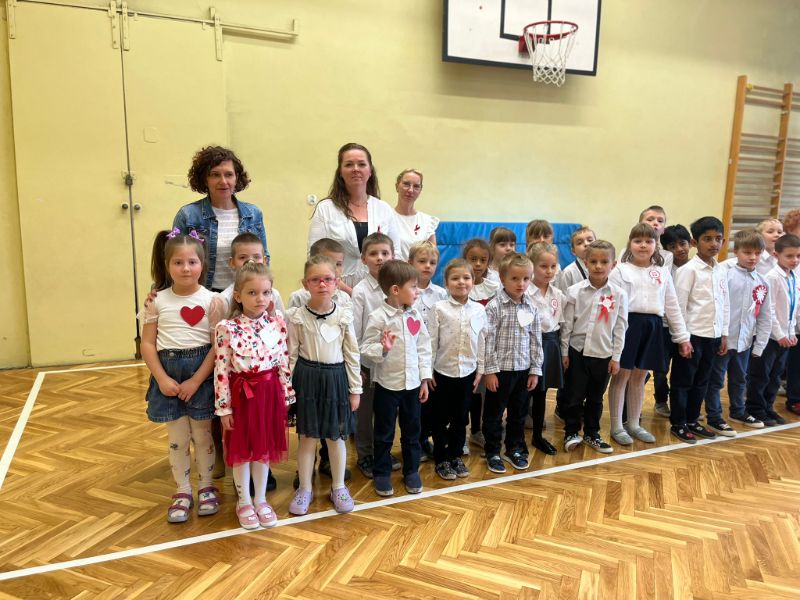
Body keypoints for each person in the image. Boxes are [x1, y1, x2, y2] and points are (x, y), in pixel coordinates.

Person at [140, 230, 221, 523]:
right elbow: (147, 343)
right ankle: (183, 489)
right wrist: (162, 378)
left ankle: (207, 486)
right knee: (177, 438)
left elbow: (217, 346)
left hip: (201, 375)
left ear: (202, 264)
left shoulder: (213, 300)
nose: (186, 268)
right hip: (168, 375)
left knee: (203, 435)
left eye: (192, 262)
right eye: (178, 262)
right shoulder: (156, 301)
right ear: (167, 265)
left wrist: (197, 380)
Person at [213, 262, 293, 529]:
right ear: (238, 296)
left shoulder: (277, 323)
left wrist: (287, 395)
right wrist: (224, 408)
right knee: (242, 451)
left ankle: (260, 499)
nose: (260, 299)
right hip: (242, 398)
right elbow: (221, 369)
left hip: (269, 395)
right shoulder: (227, 328)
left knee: (263, 450)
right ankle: (244, 501)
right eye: (252, 293)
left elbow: (283, 360)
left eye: (266, 292)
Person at [286, 255, 362, 515]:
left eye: (328, 279)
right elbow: (291, 355)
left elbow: (352, 354)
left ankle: (338, 486)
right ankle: (305, 488)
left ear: (336, 282)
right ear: (305, 283)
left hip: (335, 380)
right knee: (307, 438)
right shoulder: (297, 317)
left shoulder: (343, 316)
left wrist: (355, 390)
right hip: (306, 380)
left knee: (335, 438)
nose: (322, 284)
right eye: (315, 279)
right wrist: (288, 390)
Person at [607, 224, 691, 446]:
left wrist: (682, 337)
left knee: (639, 377)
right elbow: (612, 305)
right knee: (621, 377)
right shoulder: (620, 271)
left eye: (648, 241)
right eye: (638, 241)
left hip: (653, 326)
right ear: (630, 244)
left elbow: (672, 306)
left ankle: (634, 424)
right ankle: (617, 426)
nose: (643, 245)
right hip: (627, 326)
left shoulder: (662, 272)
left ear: (656, 246)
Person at [362, 260, 432, 497]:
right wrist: (383, 348)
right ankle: (382, 472)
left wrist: (424, 379)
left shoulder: (415, 315)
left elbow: (424, 347)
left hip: (412, 386)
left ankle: (411, 470)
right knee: (384, 433)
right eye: (413, 286)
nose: (417, 291)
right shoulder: (378, 317)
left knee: (412, 431)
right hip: (387, 386)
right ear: (395, 290)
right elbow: (366, 349)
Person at [561, 241, 628, 454]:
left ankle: (592, 433)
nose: (598, 266)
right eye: (593, 261)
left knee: (595, 398)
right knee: (574, 396)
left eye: (604, 262)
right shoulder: (574, 291)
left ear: (613, 264)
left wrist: (616, 357)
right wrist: (564, 352)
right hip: (577, 352)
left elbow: (621, 327)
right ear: (585, 262)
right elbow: (567, 325)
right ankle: (571, 432)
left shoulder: (619, 294)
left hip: (603, 354)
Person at [173, 146, 268, 292]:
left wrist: (266, 290)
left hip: (246, 294)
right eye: (215, 175)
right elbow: (173, 259)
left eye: (229, 175)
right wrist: (161, 292)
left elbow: (264, 258)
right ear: (205, 179)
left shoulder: (253, 214)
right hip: (203, 294)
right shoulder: (188, 215)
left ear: (236, 178)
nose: (223, 181)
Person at [308, 143, 401, 291]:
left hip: (378, 290)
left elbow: (396, 255)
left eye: (362, 164)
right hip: (335, 290)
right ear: (340, 172)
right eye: (349, 164)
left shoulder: (384, 209)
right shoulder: (325, 209)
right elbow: (314, 257)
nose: (356, 169)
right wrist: (349, 292)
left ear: (370, 171)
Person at [482, 253, 543, 474]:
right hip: (500, 371)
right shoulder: (494, 307)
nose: (521, 284)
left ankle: (514, 448)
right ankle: (492, 451)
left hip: (523, 370)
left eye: (526, 279)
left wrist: (535, 370)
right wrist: (490, 371)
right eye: (515, 278)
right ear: (502, 279)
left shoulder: (531, 307)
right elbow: (487, 340)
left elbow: (536, 340)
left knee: (518, 413)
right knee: (494, 414)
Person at [670, 217, 730, 443]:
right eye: (707, 239)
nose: (714, 243)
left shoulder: (720, 270)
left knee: (702, 381)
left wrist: (723, 333)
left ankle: (693, 419)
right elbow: (678, 307)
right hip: (692, 336)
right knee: (682, 382)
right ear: (695, 242)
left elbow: (725, 303)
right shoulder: (688, 271)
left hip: (712, 336)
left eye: (718, 239)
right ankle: (678, 423)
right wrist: (682, 339)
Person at [707, 230, 772, 432]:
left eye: (757, 253)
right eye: (747, 252)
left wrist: (759, 345)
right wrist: (721, 335)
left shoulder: (762, 281)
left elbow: (765, 315)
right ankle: (714, 416)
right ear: (736, 252)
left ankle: (738, 411)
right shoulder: (725, 275)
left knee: (740, 379)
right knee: (716, 380)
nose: (753, 257)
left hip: (744, 342)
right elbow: (718, 308)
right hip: (723, 341)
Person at [427, 258, 486, 480]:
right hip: (442, 373)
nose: (461, 282)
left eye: (466, 278)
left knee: (461, 418)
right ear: (446, 282)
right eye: (455, 278)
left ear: (473, 281)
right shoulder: (439, 309)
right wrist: (428, 371)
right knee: (440, 418)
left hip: (468, 373)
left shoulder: (479, 310)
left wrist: (481, 369)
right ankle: (441, 458)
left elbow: (482, 340)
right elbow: (431, 341)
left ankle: (455, 455)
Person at [351, 232, 396, 478]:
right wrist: (358, 366)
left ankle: (382, 451)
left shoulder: (396, 288)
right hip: (367, 363)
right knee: (365, 412)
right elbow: (356, 332)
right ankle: (365, 454)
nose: (380, 258)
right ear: (363, 259)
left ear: (393, 256)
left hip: (390, 364)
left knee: (386, 411)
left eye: (385, 253)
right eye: (373, 254)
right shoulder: (361, 291)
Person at [746, 234, 800, 425]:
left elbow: (793, 308)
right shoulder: (771, 278)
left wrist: (791, 333)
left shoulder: (793, 276)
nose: (795, 260)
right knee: (761, 375)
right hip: (769, 337)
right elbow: (769, 310)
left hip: (784, 337)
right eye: (789, 256)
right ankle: (755, 409)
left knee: (775, 376)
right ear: (776, 255)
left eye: (798, 256)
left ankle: (768, 408)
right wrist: (780, 334)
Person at [408, 241, 447, 462]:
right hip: (408, 357)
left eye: (432, 262)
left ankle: (424, 439)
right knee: (412, 405)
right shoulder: (405, 292)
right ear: (410, 262)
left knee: (430, 404)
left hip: (432, 358)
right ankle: (413, 441)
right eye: (422, 261)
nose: (427, 266)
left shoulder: (441, 294)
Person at [525, 242, 565, 455]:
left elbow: (561, 324)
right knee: (523, 393)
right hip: (527, 344)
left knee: (542, 392)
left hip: (550, 344)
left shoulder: (557, 293)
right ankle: (515, 436)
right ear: (531, 266)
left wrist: (563, 351)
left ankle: (538, 436)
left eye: (553, 266)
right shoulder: (524, 292)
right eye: (543, 266)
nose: (549, 271)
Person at [463, 237, 499, 451]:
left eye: (482, 260)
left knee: (483, 392)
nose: (477, 264)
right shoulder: (460, 283)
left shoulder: (494, 287)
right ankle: (462, 433)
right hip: (465, 346)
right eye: (473, 259)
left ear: (488, 262)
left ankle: (478, 431)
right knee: (467, 392)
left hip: (488, 347)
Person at [653, 224, 692, 417]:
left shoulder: (694, 268)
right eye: (672, 246)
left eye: (682, 244)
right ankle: (661, 400)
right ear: (665, 249)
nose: (679, 249)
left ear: (690, 243)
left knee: (684, 369)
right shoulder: (663, 269)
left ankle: (682, 405)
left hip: (688, 328)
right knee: (661, 369)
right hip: (664, 327)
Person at [392, 168, 439, 260]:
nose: (410, 190)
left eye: (416, 186)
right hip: (392, 269)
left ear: (420, 190)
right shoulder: (386, 217)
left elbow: (432, 258)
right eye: (406, 184)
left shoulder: (428, 222)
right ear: (397, 186)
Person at [556, 227, 596, 293]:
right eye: (579, 243)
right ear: (573, 251)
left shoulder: (605, 267)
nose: (586, 244)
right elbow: (565, 296)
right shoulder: (568, 272)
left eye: (590, 240)